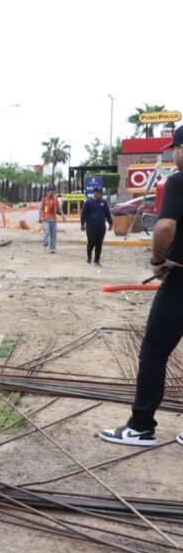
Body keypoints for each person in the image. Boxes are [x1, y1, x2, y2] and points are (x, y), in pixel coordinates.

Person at [100, 127, 183, 447]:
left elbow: (164, 226)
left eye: (174, 148)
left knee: (153, 353)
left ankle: (141, 426)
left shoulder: (178, 180)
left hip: (179, 284)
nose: (173, 154)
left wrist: (158, 261)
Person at [80, 187, 114, 265]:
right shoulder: (88, 202)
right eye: (97, 192)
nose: (99, 194)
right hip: (91, 227)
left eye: (100, 193)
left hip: (101, 227)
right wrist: (82, 224)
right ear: (94, 192)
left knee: (99, 243)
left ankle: (96, 260)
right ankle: (89, 257)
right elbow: (83, 214)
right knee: (92, 242)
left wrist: (110, 223)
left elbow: (108, 213)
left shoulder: (103, 202)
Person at [39, 188, 65, 253]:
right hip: (46, 219)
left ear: (54, 193)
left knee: (53, 234)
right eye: (50, 192)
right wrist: (40, 217)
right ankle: (45, 245)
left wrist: (63, 216)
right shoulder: (44, 200)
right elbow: (40, 209)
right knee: (47, 231)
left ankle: (52, 248)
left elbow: (60, 209)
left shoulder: (56, 200)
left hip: (53, 219)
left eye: (52, 192)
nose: (51, 193)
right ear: (47, 193)